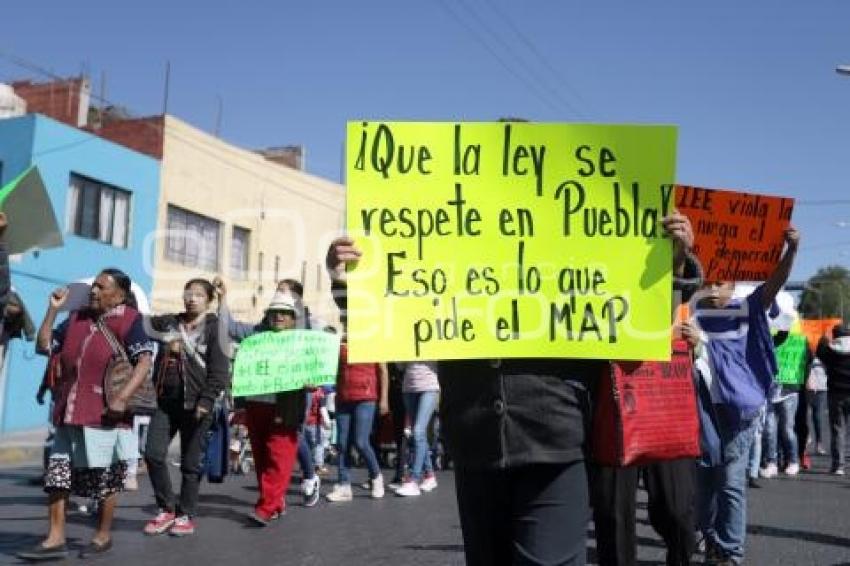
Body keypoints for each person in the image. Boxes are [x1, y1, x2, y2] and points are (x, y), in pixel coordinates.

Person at [327, 212, 697, 566]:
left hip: (557, 443)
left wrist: (674, 268)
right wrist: (347, 282)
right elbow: (385, 322)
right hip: (476, 441)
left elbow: (643, 324)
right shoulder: (451, 234)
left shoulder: (573, 233)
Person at [19, 269, 154, 561]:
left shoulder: (129, 321)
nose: (93, 292)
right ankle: (55, 538)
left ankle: (102, 535)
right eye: (93, 286)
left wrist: (122, 398)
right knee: (57, 475)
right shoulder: (76, 318)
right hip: (68, 411)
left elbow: (144, 361)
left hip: (104, 413)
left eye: (101, 288)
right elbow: (43, 346)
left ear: (119, 294)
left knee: (104, 478)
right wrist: (52, 311)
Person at [690, 227, 800, 566]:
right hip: (702, 412)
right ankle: (711, 541)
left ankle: (730, 553)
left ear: (734, 285)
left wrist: (791, 251)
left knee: (730, 483)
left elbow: (774, 283)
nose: (712, 289)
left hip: (739, 413)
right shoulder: (692, 310)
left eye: (720, 283)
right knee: (705, 485)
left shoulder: (748, 307)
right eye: (708, 282)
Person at [142, 278, 229, 536]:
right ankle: (167, 508)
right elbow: (141, 323)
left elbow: (219, 372)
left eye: (199, 295)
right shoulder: (170, 322)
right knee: (153, 454)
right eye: (188, 293)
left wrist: (206, 401)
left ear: (208, 300)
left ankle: (186, 513)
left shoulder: (215, 329)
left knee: (191, 464)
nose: (192, 298)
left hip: (196, 406)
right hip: (165, 403)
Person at [217, 282, 307, 525]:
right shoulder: (257, 334)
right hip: (257, 404)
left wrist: (312, 380)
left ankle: (266, 507)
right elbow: (230, 328)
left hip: (285, 406)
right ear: (268, 315)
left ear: (293, 318)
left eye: (285, 313)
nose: (279, 316)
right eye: (275, 312)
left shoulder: (303, 342)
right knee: (261, 456)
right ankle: (274, 501)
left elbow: (318, 370)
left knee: (280, 456)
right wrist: (222, 300)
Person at [325, 334, 389, 502]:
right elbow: (331, 368)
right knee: (342, 443)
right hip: (344, 399)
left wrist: (384, 400)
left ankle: (376, 477)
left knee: (361, 442)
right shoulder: (341, 344)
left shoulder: (374, 342)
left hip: (366, 398)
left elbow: (383, 371)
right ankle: (344, 485)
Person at [394, 361, 440, 497]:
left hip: (429, 387)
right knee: (419, 434)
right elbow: (400, 366)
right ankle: (429, 475)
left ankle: (413, 479)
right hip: (409, 388)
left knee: (418, 431)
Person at [816, 324, 850, 475]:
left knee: (837, 429)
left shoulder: (829, 351)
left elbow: (819, 351)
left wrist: (823, 338)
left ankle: (839, 465)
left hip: (836, 394)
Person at [804, 356, 829, 456]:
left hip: (821, 384)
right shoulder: (807, 344)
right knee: (802, 414)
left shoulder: (825, 344)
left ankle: (819, 443)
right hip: (807, 382)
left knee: (817, 415)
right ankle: (806, 437)